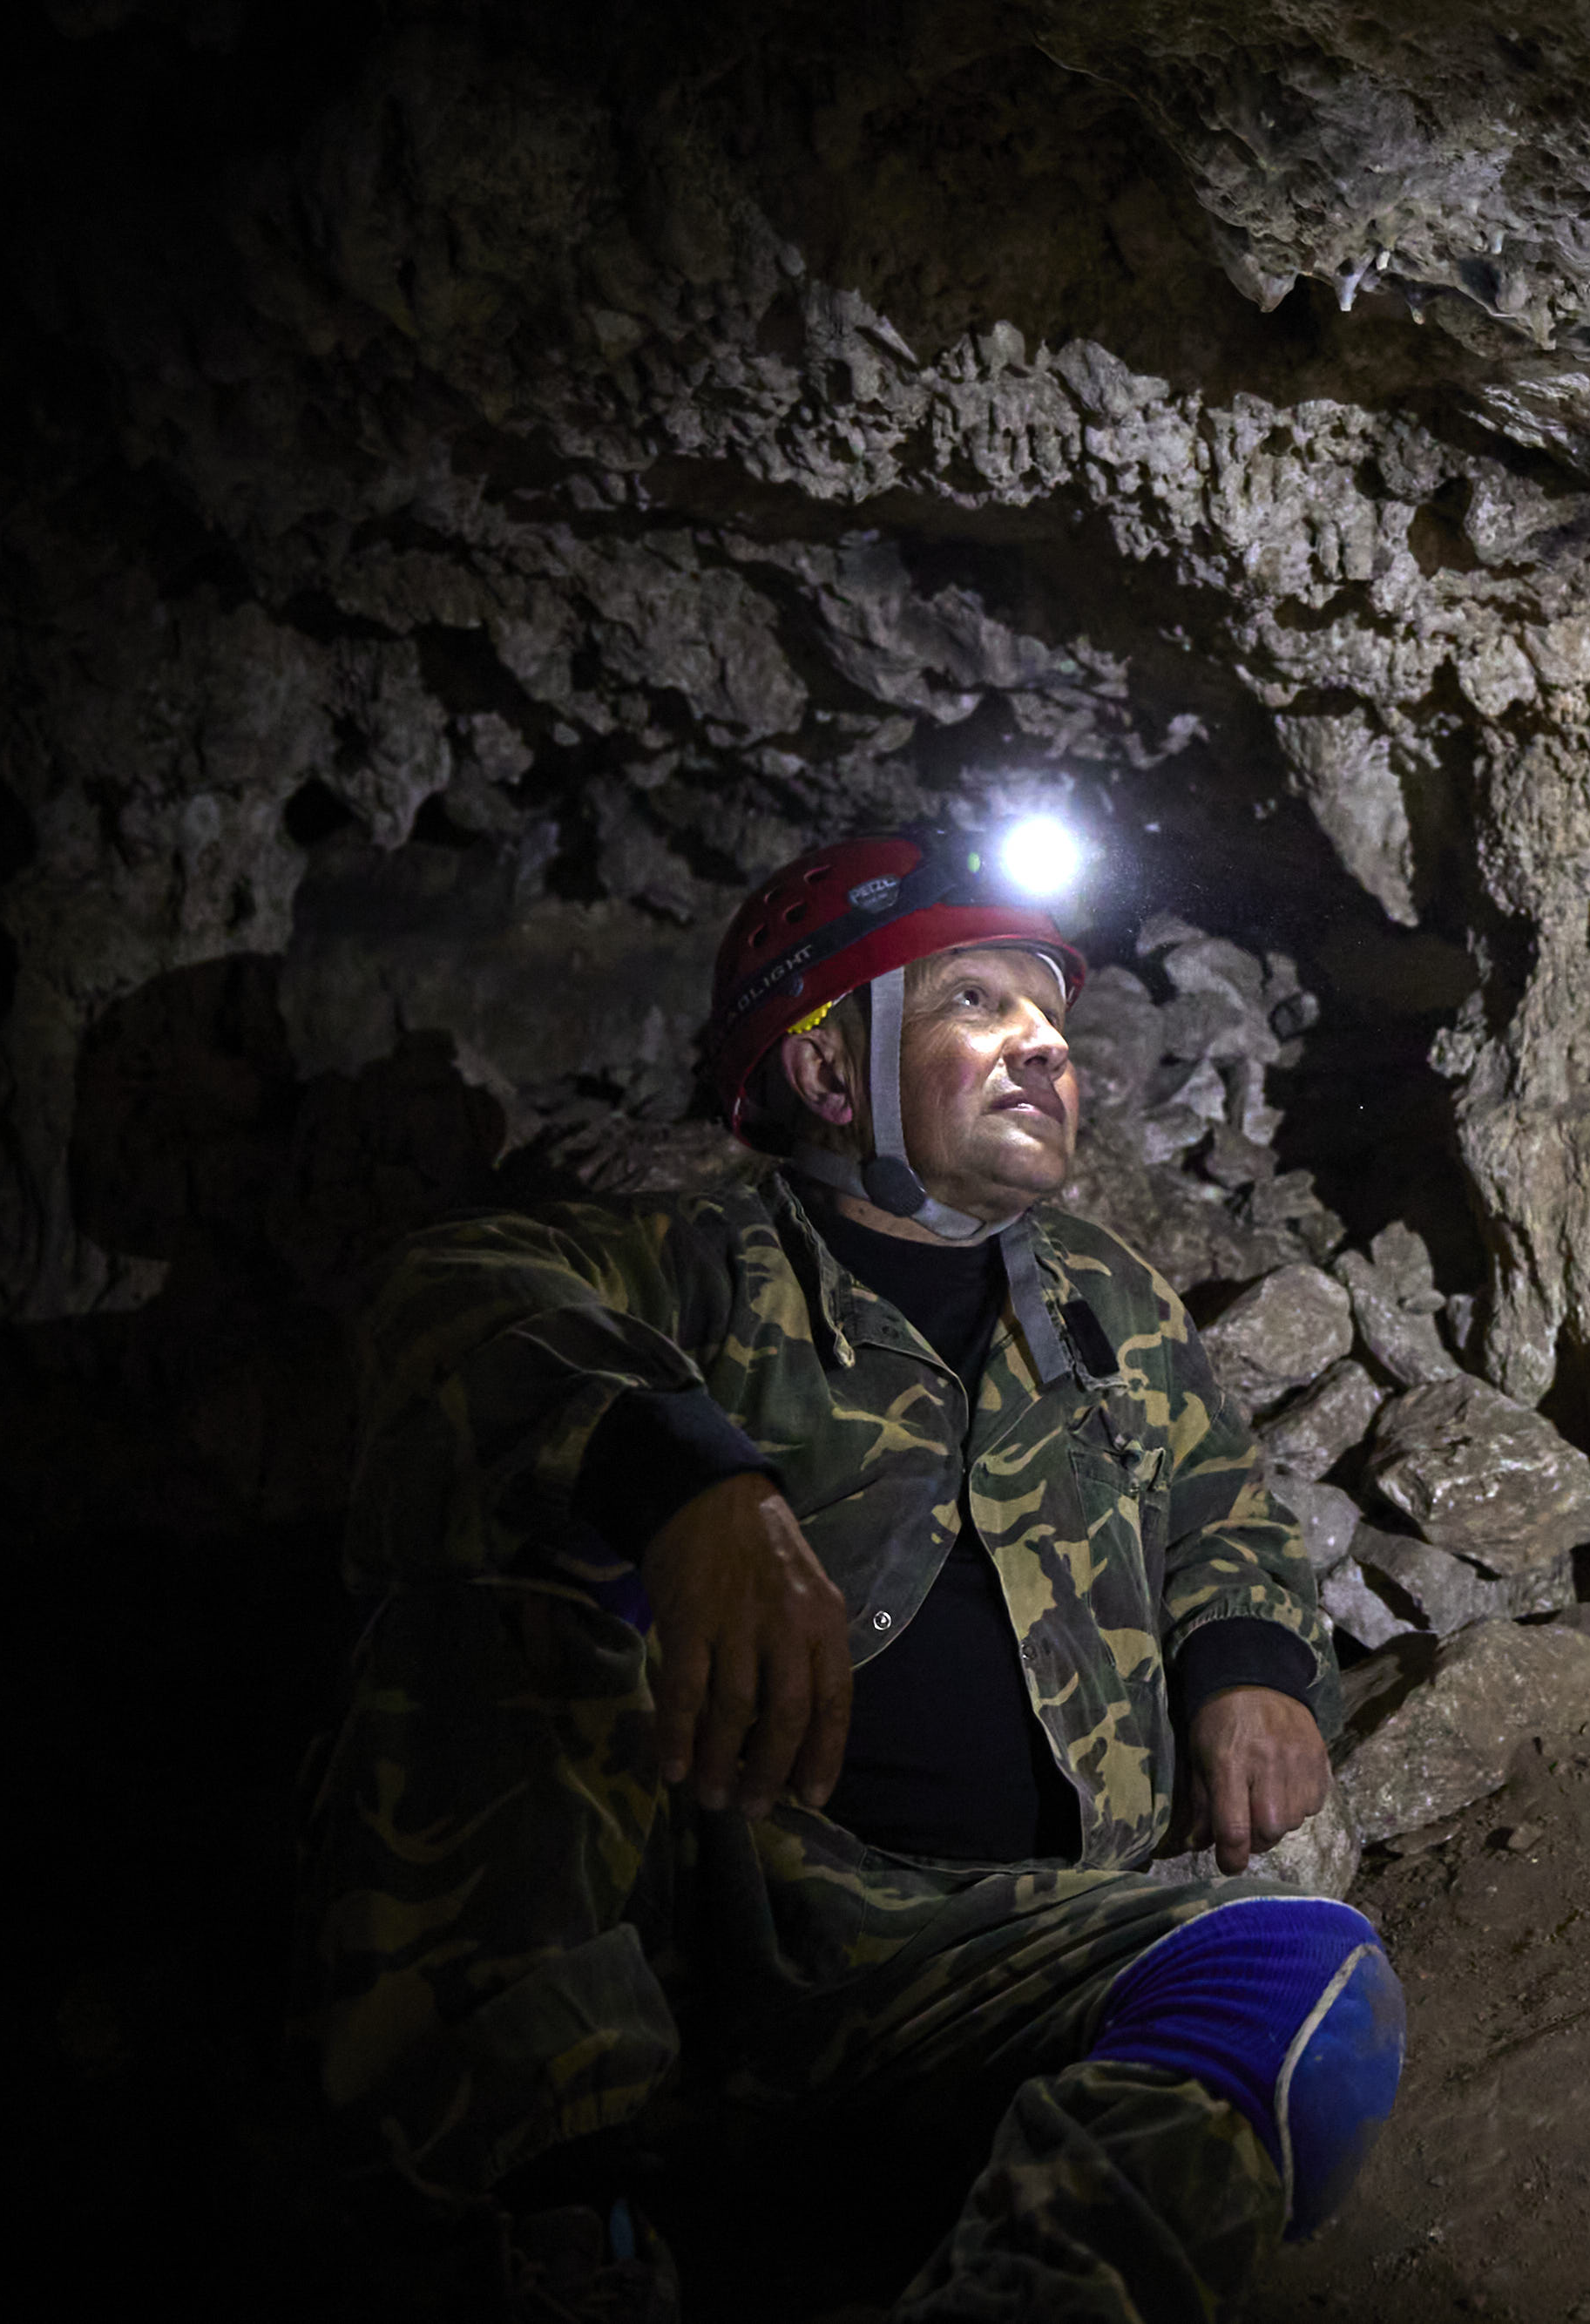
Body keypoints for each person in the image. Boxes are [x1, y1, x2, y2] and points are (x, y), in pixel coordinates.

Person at [297, 821, 1399, 2323]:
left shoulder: (1104, 1300)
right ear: (827, 1074)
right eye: (973, 1006)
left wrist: (1249, 1666)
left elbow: (1225, 1513)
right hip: (726, 1944)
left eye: (1054, 1022)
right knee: (495, 1618)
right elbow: (451, 1306)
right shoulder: (686, 1266)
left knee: (1300, 1983)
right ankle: (566, 2229)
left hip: (997, 1954)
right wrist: (694, 1494)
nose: (1042, 1049)